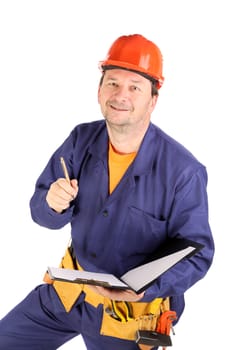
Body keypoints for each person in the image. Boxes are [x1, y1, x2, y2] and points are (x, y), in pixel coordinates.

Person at [0, 34, 214, 350]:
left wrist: (147, 289)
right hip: (70, 294)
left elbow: (199, 254)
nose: (120, 95)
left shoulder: (183, 171)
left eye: (134, 87)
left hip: (129, 316)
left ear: (153, 100)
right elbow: (41, 213)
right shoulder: (80, 140)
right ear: (99, 91)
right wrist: (51, 203)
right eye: (112, 83)